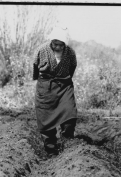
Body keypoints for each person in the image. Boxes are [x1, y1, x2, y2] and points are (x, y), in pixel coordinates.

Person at [32, 26, 77, 157]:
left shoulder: (70, 53)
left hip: (64, 86)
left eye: (60, 44)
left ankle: (67, 145)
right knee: (46, 120)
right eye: (55, 44)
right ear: (51, 41)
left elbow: (72, 67)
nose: (57, 47)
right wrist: (39, 79)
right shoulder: (41, 50)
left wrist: (65, 80)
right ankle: (51, 150)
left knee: (70, 114)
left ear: (65, 44)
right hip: (46, 87)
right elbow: (35, 66)